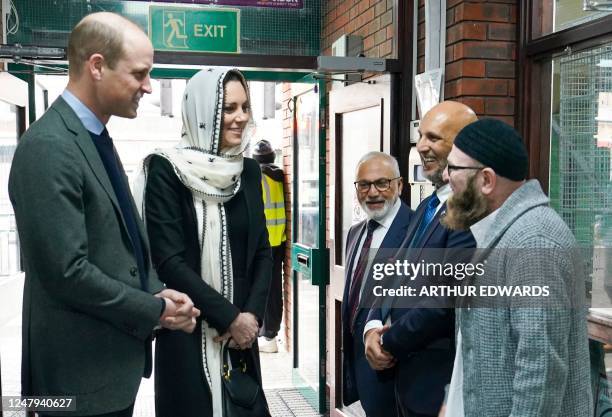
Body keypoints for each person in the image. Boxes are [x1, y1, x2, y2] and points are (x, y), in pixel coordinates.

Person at [8, 12, 199, 417]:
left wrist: (152, 291)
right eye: (140, 74)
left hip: (106, 375)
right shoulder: (49, 147)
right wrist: (156, 311)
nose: (148, 87)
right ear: (97, 66)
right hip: (76, 384)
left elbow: (115, 243)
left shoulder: (94, 135)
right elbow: (68, 273)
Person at [139, 67, 273, 417]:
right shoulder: (167, 170)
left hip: (241, 335)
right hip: (187, 328)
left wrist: (251, 319)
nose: (240, 117)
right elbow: (169, 261)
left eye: (245, 107)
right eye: (228, 108)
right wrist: (229, 317)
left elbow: (262, 251)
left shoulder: (249, 171)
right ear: (201, 112)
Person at [440, 119, 593, 416]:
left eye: (454, 168)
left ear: (486, 180)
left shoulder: (534, 241)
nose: (446, 177)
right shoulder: (505, 231)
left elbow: (541, 371)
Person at [364, 101, 477, 417]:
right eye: (420, 137)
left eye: (434, 138)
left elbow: (445, 301)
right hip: (406, 383)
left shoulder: (470, 212)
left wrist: (389, 343)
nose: (421, 147)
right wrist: (373, 325)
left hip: (435, 385)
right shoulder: (428, 205)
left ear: (464, 145)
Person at [342, 152, 413, 417]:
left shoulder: (417, 231)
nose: (372, 192)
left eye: (382, 183)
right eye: (364, 184)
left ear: (400, 185)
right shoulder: (355, 233)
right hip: (360, 365)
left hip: (396, 371)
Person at [252, 139, 287, 353]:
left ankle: (270, 336)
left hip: (265, 242)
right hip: (279, 240)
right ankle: (270, 334)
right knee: (274, 290)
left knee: (266, 291)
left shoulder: (259, 178)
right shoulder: (280, 176)